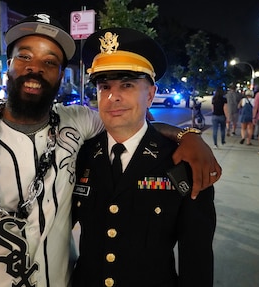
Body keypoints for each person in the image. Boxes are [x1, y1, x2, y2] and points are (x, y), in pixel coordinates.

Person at [0, 14, 221, 287]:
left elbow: (135, 125)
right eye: (23, 56)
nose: (35, 67)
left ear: (60, 74)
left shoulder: (78, 125)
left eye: (50, 62)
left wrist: (188, 136)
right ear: (7, 67)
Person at [72, 27, 216, 286]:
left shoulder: (183, 162)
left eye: (127, 85)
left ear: (150, 94)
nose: (113, 96)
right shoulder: (80, 155)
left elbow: (197, 258)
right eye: (104, 86)